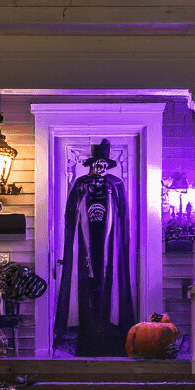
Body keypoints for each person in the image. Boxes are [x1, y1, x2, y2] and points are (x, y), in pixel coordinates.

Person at [53, 139, 135, 356]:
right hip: (84, 241)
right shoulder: (80, 184)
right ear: (91, 164)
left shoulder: (116, 184)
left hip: (109, 241)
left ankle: (109, 326)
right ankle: (86, 327)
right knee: (86, 280)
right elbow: (70, 212)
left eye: (103, 163)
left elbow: (123, 214)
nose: (100, 167)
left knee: (109, 278)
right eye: (97, 163)